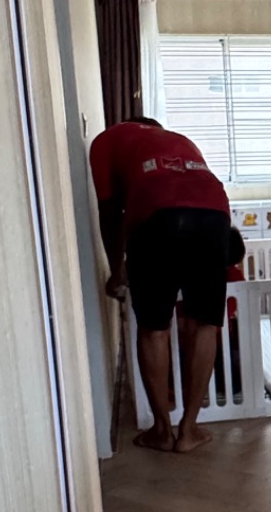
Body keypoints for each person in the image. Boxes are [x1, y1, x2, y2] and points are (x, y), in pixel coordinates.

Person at [90, 114, 231, 454]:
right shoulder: (180, 139)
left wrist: (117, 269)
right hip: (215, 215)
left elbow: (109, 213)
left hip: (156, 213)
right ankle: (189, 430)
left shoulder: (106, 140)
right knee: (204, 324)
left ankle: (162, 430)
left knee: (154, 327)